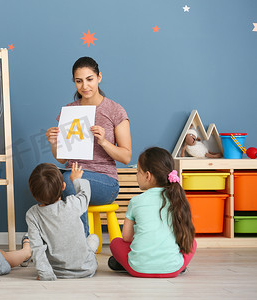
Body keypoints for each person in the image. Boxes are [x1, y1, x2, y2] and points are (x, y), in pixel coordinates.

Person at [46, 56, 132, 235]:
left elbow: (126, 157)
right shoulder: (69, 111)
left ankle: (82, 245)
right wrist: (54, 143)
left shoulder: (115, 110)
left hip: (105, 181)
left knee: (71, 184)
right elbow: (62, 158)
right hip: (72, 174)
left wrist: (104, 142)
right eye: (79, 81)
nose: (84, 86)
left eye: (89, 79)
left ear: (99, 77)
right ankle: (42, 242)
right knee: (46, 181)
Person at [108, 147, 197, 278]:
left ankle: (124, 263)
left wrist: (142, 241)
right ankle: (176, 262)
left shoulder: (136, 201)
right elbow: (184, 235)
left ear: (148, 176)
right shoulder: (178, 199)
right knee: (192, 243)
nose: (137, 175)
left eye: (138, 171)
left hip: (138, 268)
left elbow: (126, 237)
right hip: (172, 269)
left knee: (116, 243)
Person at [26, 162, 98, 281]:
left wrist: (45, 274)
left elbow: (37, 248)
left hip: (57, 272)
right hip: (86, 269)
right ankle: (89, 252)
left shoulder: (33, 214)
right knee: (93, 238)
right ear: (63, 186)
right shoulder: (72, 204)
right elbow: (85, 195)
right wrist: (76, 180)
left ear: (33, 193)